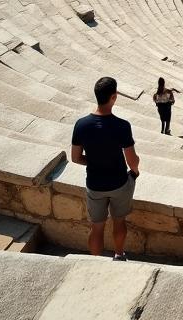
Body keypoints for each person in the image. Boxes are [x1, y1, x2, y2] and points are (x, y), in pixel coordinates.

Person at [70, 77, 140, 260]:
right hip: (118, 183)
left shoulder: (81, 125)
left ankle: (95, 260)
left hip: (95, 184)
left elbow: (75, 158)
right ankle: (118, 254)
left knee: (97, 226)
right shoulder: (122, 126)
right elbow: (132, 160)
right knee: (119, 221)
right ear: (114, 97)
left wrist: (94, 161)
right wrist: (135, 171)